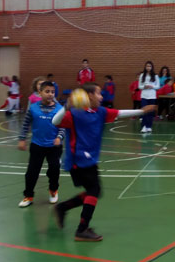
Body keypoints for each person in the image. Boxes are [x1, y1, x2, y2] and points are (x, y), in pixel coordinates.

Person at [51, 82, 155, 241]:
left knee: (94, 191)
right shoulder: (75, 113)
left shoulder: (100, 112)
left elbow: (120, 113)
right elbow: (55, 121)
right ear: (89, 96)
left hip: (89, 159)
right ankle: (81, 230)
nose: (101, 96)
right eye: (98, 93)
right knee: (94, 190)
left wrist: (141, 111)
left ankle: (63, 208)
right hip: (78, 159)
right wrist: (66, 107)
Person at [17, 81, 64, 207]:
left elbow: (63, 127)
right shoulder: (33, 108)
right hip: (37, 145)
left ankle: (53, 190)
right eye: (47, 91)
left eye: (52, 92)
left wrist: (59, 137)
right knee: (32, 172)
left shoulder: (60, 109)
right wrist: (22, 139)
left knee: (54, 169)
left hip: (54, 146)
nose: (50, 94)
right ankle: (28, 196)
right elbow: (26, 124)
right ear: (40, 93)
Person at [138, 61, 160, 133]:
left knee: (150, 111)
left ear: (152, 67)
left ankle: (149, 126)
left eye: (150, 66)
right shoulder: (142, 75)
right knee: (144, 111)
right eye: (147, 66)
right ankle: (143, 126)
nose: (148, 67)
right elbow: (139, 86)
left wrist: (152, 86)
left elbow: (158, 86)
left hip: (152, 96)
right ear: (145, 67)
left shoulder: (155, 76)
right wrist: (144, 86)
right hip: (144, 96)